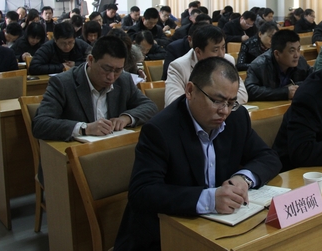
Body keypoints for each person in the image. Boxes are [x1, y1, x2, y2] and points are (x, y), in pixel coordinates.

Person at [114, 56, 281, 251]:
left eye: (231, 102)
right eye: (217, 101)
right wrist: (209, 199)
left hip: (216, 228)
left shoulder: (237, 117)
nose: (225, 111)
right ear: (190, 90)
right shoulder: (160, 129)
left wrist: (243, 179)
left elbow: (268, 157)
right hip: (163, 236)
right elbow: (142, 192)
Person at [32, 36, 157, 141]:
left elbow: (150, 107)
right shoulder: (63, 83)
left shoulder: (124, 80)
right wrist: (85, 128)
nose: (111, 77)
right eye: (106, 69)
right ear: (91, 60)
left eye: (118, 70)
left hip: (112, 150)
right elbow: (40, 124)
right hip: (75, 154)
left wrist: (126, 118)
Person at [165, 25, 248, 106]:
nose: (221, 54)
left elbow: (242, 95)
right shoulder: (178, 66)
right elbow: (173, 102)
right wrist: (217, 103)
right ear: (198, 52)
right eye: (215, 50)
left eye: (223, 47)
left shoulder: (228, 60)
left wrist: (216, 103)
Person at [245, 30, 313, 101]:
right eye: (292, 51)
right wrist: (285, 92)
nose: (297, 55)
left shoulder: (300, 61)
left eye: (298, 49)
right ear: (277, 54)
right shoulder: (259, 65)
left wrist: (298, 86)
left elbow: (313, 79)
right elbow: (250, 90)